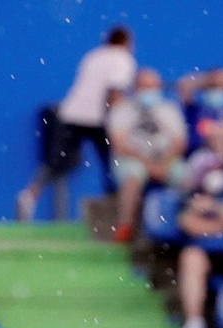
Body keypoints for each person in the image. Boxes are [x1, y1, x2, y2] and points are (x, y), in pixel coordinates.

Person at [18, 26, 136, 221]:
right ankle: (115, 208)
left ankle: (30, 194)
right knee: (111, 162)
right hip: (99, 118)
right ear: (126, 42)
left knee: (56, 161)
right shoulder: (122, 59)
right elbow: (114, 92)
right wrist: (117, 121)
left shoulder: (93, 56)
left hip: (71, 114)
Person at [106, 68, 188, 242]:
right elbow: (119, 144)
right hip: (133, 160)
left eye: (153, 86)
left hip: (166, 160)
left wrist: (164, 163)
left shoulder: (169, 110)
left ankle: (184, 225)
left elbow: (180, 143)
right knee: (133, 177)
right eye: (144, 86)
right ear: (135, 88)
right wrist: (149, 165)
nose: (149, 91)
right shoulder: (121, 110)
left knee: (185, 177)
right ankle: (125, 227)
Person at [174, 163, 223, 328]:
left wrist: (216, 208)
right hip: (211, 254)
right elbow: (187, 223)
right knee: (191, 257)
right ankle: (195, 322)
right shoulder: (206, 172)